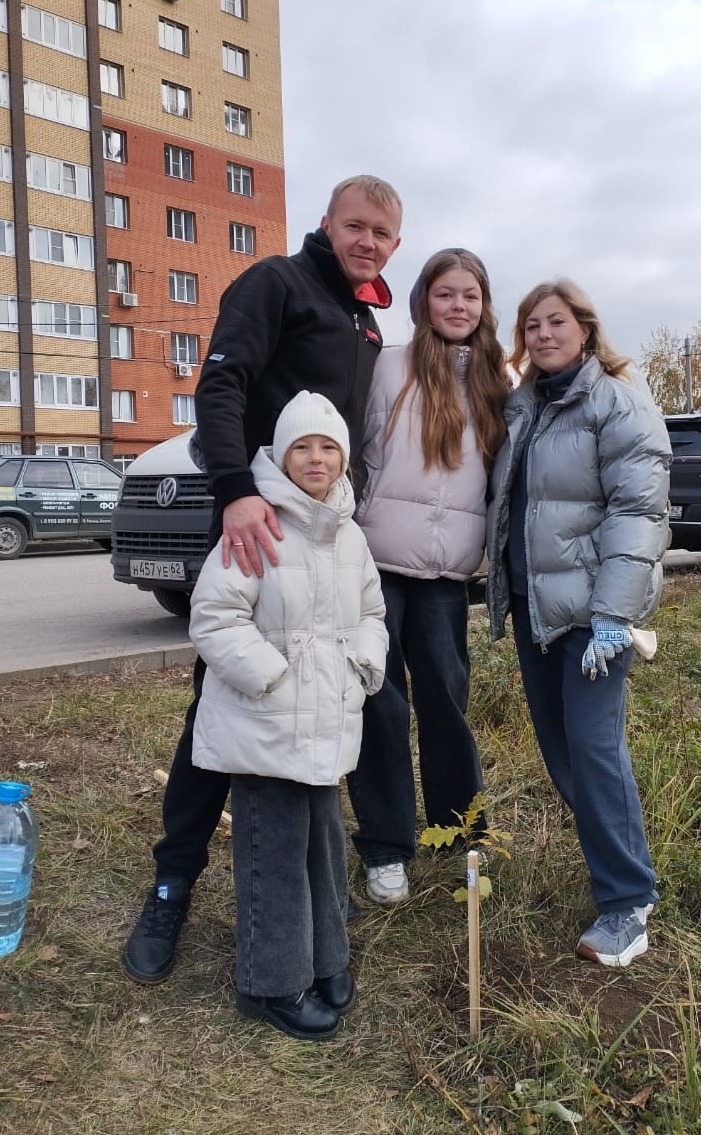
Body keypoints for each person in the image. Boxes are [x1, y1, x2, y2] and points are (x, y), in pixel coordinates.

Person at [122, 175, 402, 985]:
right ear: (328, 221)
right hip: (254, 525)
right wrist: (236, 494)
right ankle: (172, 884)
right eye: (356, 226)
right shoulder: (274, 282)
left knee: (322, 703)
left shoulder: (364, 320)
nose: (368, 242)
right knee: (220, 707)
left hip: (324, 536)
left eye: (382, 234)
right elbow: (220, 387)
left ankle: (316, 892)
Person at [189, 392, 388, 1040]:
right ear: (280, 453)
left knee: (323, 847)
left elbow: (371, 616)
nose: (315, 458)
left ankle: (325, 960)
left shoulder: (349, 534)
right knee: (272, 851)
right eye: (301, 446)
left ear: (343, 459)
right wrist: (272, 678)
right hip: (264, 721)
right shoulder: (257, 524)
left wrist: (363, 662)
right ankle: (270, 983)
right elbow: (215, 619)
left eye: (327, 447)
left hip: (326, 722)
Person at [486, 279, 671, 967]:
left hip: (596, 619)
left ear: (585, 330)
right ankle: (617, 865)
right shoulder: (523, 407)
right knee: (563, 752)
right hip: (543, 614)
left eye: (554, 321)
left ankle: (627, 900)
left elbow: (637, 516)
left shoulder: (617, 404)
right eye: (530, 325)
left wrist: (613, 617)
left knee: (593, 753)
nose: (541, 334)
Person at [347, 249, 510, 903]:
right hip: (378, 561)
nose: (457, 307)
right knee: (379, 702)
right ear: (423, 301)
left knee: (446, 698)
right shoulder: (388, 366)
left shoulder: (497, 381)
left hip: (447, 572)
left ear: (483, 305)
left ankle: (457, 829)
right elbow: (356, 452)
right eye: (445, 295)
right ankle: (386, 846)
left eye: (469, 296)